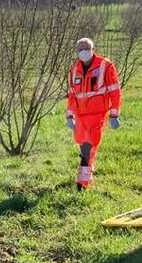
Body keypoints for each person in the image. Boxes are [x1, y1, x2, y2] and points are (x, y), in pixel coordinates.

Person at [67, 37, 121, 191]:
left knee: (89, 147)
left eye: (86, 48)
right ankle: (87, 173)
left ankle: (82, 183)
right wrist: (69, 115)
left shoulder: (105, 65)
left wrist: (114, 114)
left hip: (97, 114)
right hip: (80, 116)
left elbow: (115, 91)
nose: (83, 52)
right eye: (80, 49)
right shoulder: (74, 69)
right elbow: (71, 95)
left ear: (92, 49)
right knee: (82, 145)